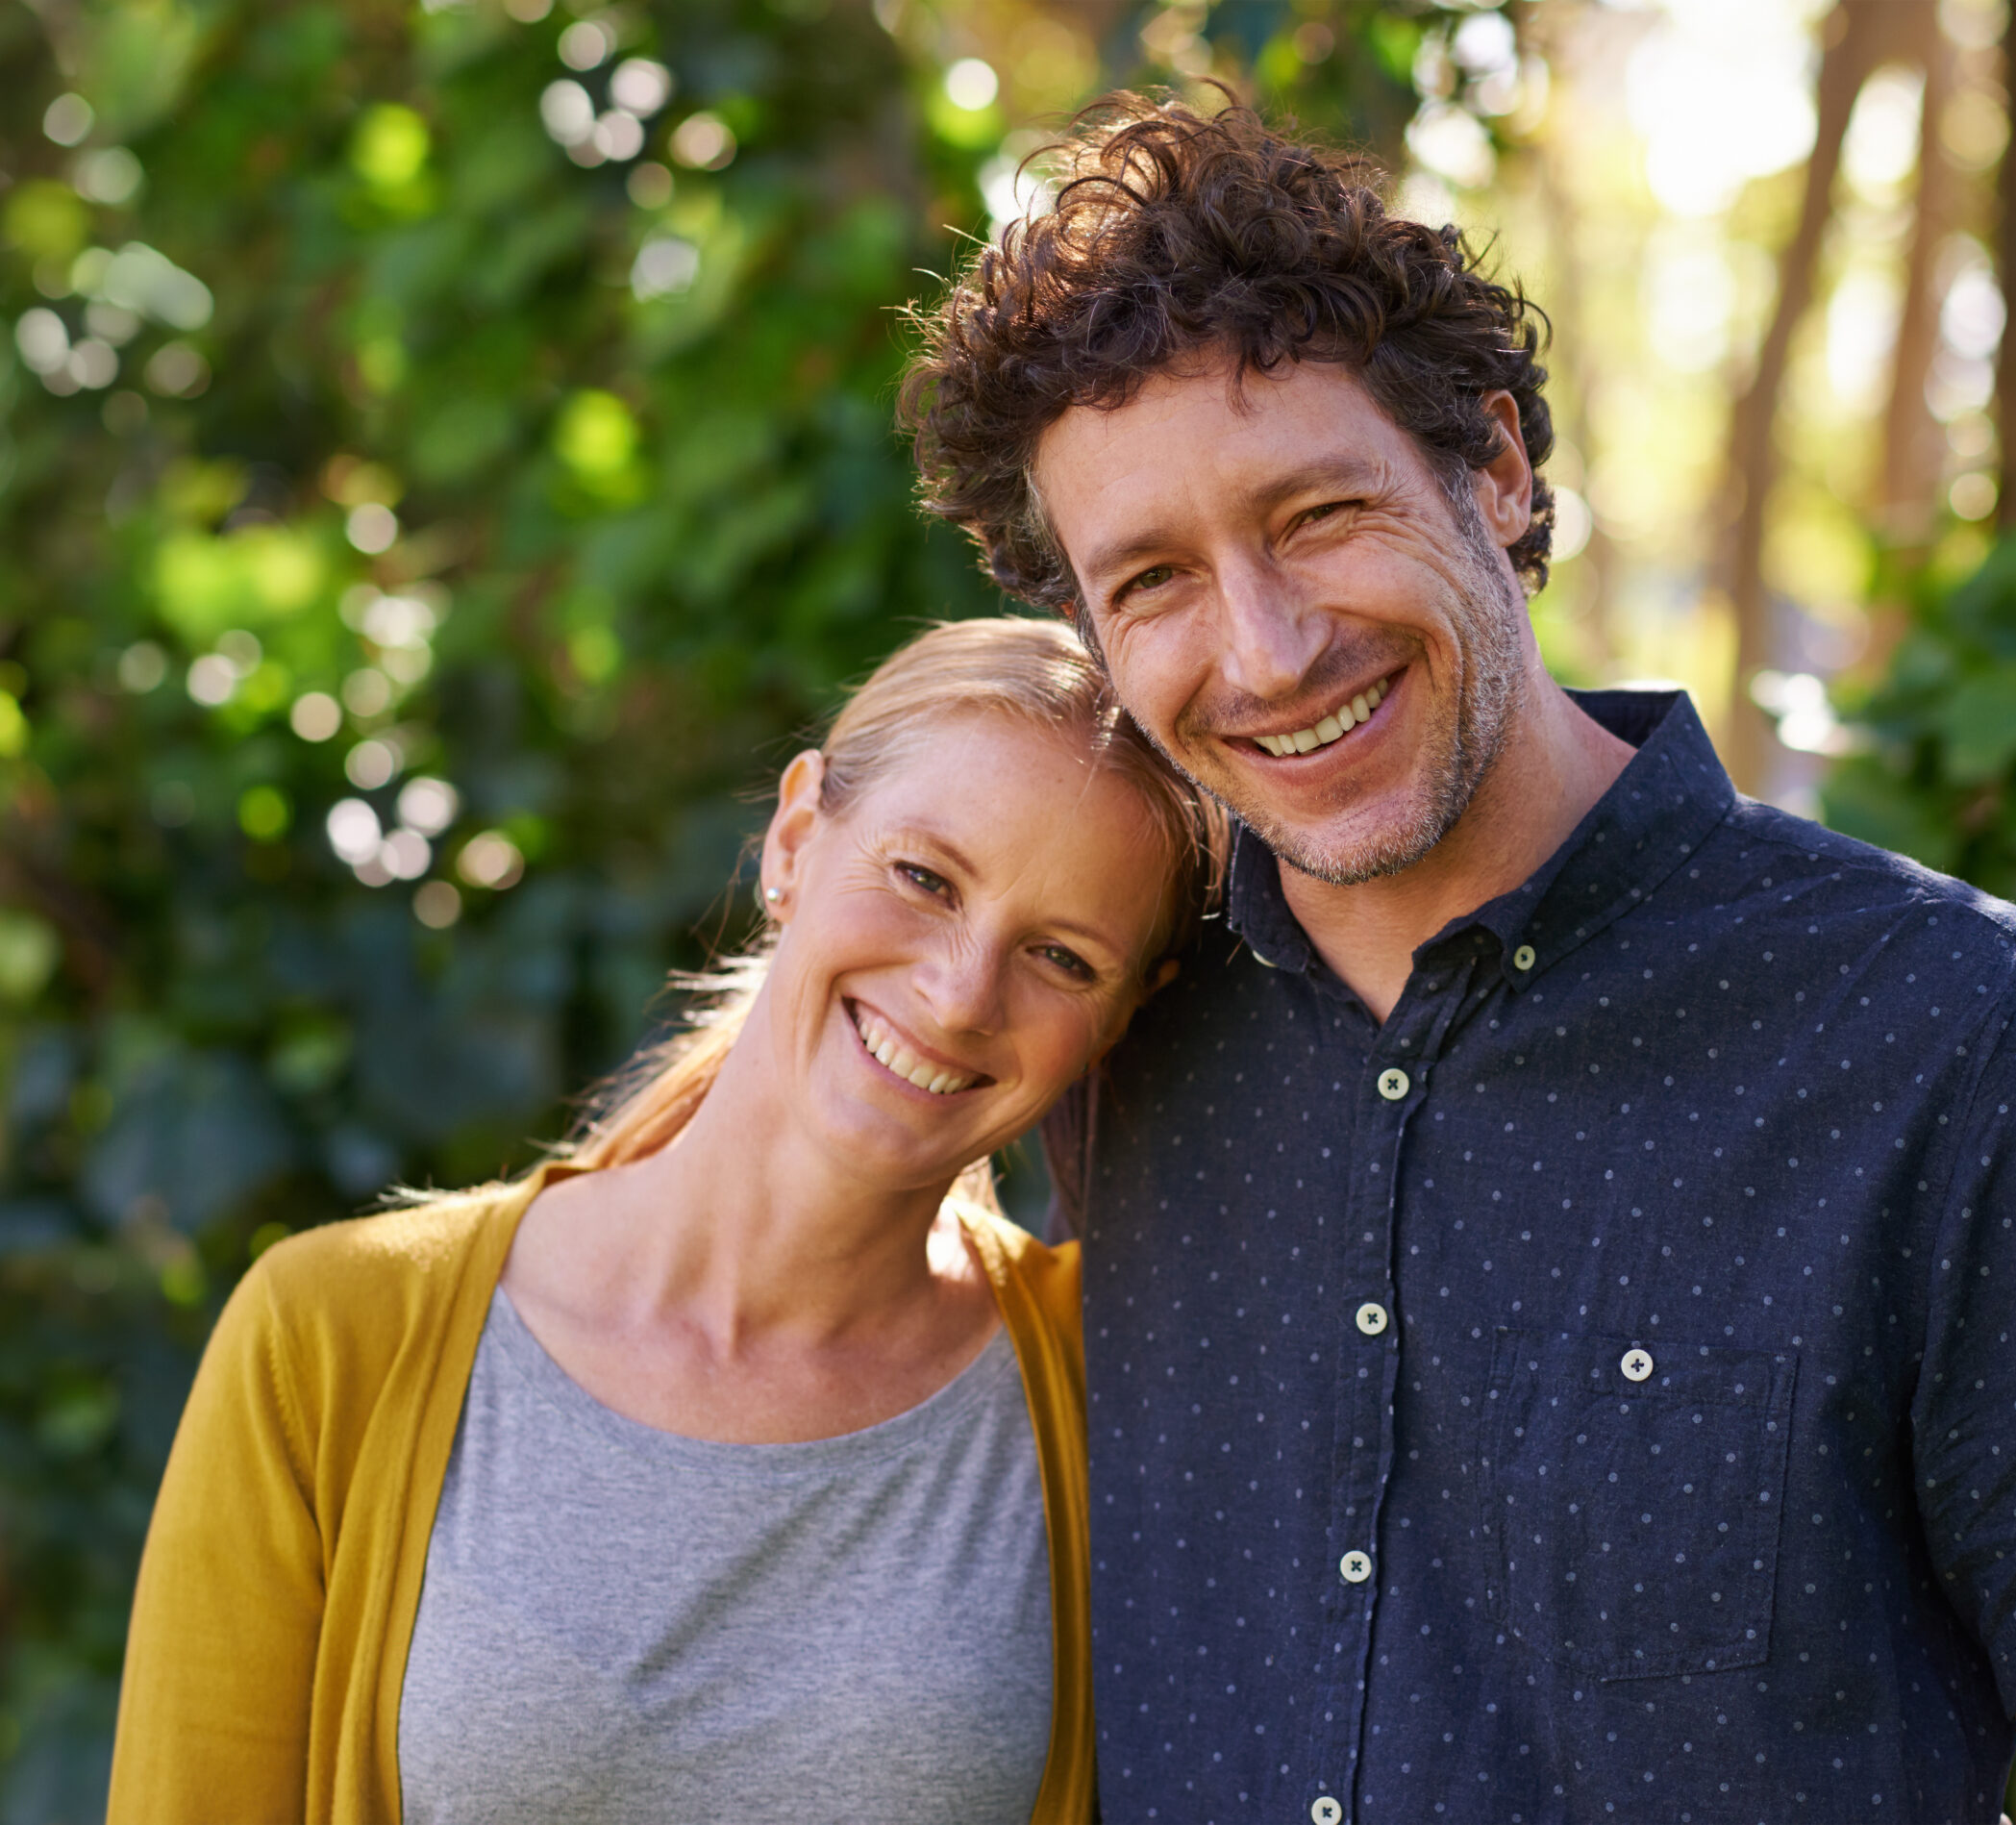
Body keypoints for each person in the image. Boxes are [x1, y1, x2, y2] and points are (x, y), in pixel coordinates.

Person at [901, 97, 2016, 1825]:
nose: (1266, 652)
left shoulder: (1956, 1038)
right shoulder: (1117, 1026)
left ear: (1497, 470)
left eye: (1315, 514)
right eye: (1153, 582)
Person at [108, 618, 1225, 1825]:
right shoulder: (331, 1335)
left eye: (1060, 955)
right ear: (796, 837)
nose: (959, 995)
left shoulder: (1110, 1381)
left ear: (1122, 1014)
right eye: (923, 877)